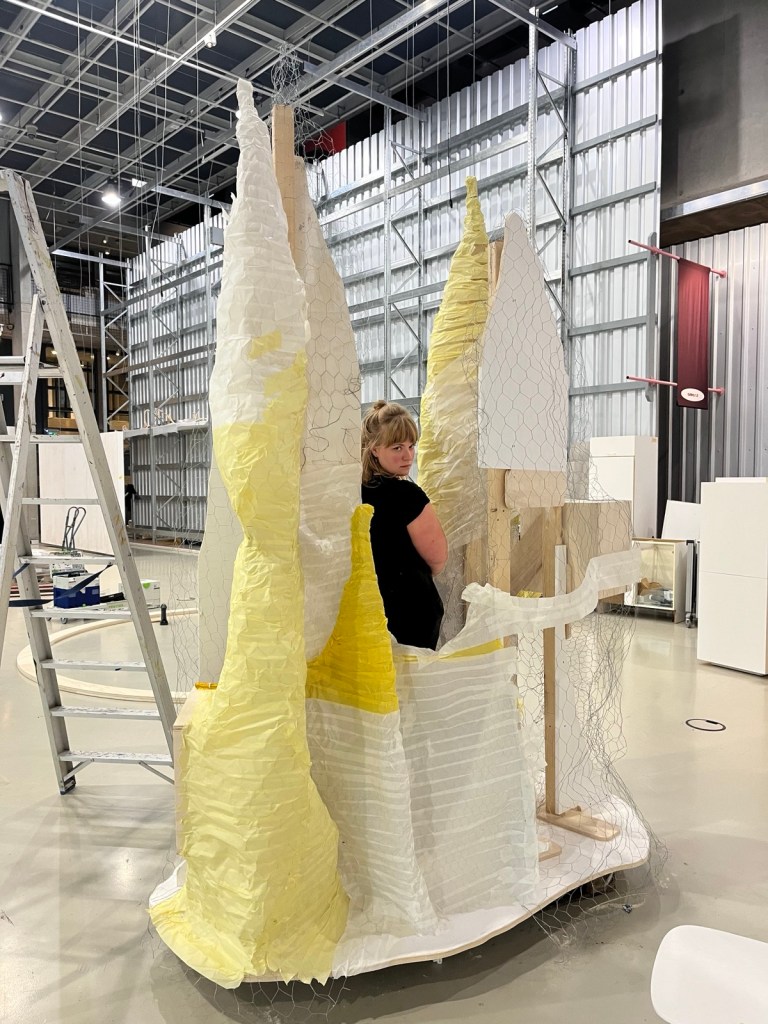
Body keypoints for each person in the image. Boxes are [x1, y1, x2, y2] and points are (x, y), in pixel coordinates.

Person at [361, 400, 447, 649]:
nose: (408, 455)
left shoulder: (353, 493)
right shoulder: (408, 496)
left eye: (411, 446)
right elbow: (437, 558)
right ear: (375, 449)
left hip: (366, 609)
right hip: (411, 611)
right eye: (397, 447)